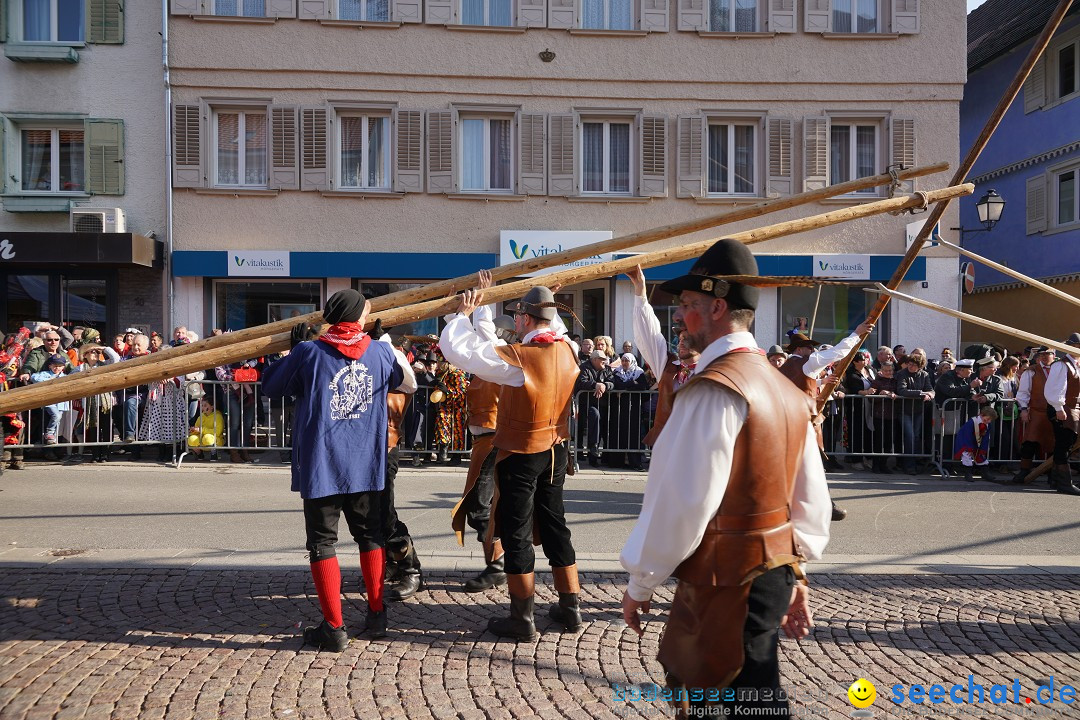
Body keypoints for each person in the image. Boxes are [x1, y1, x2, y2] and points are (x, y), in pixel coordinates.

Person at [619, 239, 831, 718]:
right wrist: (796, 572)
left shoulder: (715, 389)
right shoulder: (785, 388)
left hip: (727, 579)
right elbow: (808, 502)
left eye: (689, 306)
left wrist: (641, 581)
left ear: (718, 306)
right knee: (755, 693)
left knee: (729, 699)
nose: (681, 317)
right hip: (768, 571)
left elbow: (683, 501)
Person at [261, 289, 417, 650]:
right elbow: (405, 381)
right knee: (370, 536)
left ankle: (334, 627)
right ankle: (377, 614)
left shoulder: (309, 352)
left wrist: (292, 352)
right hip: (365, 461)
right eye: (365, 313)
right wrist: (384, 344)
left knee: (322, 543)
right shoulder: (380, 351)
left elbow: (272, 386)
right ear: (358, 316)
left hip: (322, 464)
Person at [441, 284, 581, 640]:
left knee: (516, 533)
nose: (515, 322)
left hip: (523, 452)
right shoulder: (569, 348)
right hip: (556, 450)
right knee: (555, 524)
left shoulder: (522, 358)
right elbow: (549, 331)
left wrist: (463, 315)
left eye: (518, 316)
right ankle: (570, 607)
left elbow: (465, 353)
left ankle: (523, 619)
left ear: (523, 317)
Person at [779, 321, 873, 520]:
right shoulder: (807, 362)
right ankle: (823, 505)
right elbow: (838, 353)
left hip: (786, 421)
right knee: (810, 465)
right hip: (802, 422)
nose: (812, 349)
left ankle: (804, 505)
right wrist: (856, 333)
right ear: (799, 349)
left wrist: (820, 382)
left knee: (799, 466)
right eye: (808, 346)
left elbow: (801, 382)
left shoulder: (787, 366)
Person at [627, 265, 700, 448]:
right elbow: (649, 336)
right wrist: (640, 293)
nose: (681, 342)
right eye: (680, 337)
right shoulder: (668, 367)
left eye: (687, 338)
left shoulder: (711, 369)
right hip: (668, 447)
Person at [1011, 346, 1057, 485]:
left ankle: (1051, 473)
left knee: (1053, 443)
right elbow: (1023, 392)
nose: (1043, 357)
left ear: (1053, 356)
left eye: (1047, 354)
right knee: (1030, 441)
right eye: (1041, 354)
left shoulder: (1059, 370)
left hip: (1055, 412)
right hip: (1037, 411)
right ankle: (1024, 470)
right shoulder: (1031, 372)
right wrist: (1024, 409)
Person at [1043, 333, 1080, 495]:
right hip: (1062, 407)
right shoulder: (1061, 365)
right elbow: (1053, 389)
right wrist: (1059, 408)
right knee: (1063, 444)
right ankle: (1064, 483)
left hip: (1072, 408)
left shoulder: (1076, 365)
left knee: (1067, 443)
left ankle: (1056, 479)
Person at [575, 350, 615, 467]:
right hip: (587, 404)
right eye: (601, 359)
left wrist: (605, 385)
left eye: (605, 359)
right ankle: (592, 451)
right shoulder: (584, 367)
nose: (604, 361)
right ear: (594, 359)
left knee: (605, 427)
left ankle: (605, 456)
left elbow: (613, 382)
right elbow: (581, 382)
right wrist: (595, 385)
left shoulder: (607, 369)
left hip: (604, 403)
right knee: (593, 419)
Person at [30, 354, 71, 457]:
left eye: (59, 366)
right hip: (49, 401)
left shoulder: (65, 377)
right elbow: (34, 377)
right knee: (56, 416)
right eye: (54, 365)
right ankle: (49, 433)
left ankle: (53, 444)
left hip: (61, 402)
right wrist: (50, 381)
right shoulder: (45, 374)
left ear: (63, 367)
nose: (57, 368)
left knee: (58, 422)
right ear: (50, 366)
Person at [954, 406, 999, 482]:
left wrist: (983, 449)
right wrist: (969, 448)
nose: (988, 421)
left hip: (977, 444)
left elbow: (986, 438)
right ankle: (968, 474)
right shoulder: (972, 422)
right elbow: (966, 436)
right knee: (967, 457)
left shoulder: (987, 425)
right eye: (987, 419)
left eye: (990, 420)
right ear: (981, 415)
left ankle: (985, 473)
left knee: (980, 457)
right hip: (965, 443)